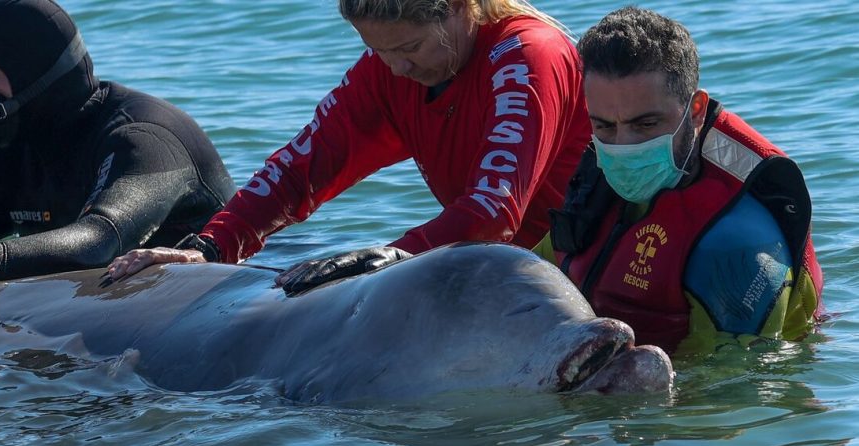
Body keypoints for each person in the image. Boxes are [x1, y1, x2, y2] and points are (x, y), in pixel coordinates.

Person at [107, 0, 591, 284]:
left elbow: (492, 214)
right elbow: (301, 170)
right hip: (501, 270)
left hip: (593, 267)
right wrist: (210, 247)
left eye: (409, 47)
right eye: (376, 49)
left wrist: (387, 259)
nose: (396, 68)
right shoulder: (389, 73)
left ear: (461, 8)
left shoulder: (526, 54)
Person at [539, 6, 823, 353]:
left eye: (645, 125)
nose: (624, 146)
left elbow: (730, 391)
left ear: (696, 111)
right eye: (604, 126)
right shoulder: (598, 178)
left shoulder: (739, 245)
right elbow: (535, 276)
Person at [0, 0, 236, 282]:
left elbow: (100, 242)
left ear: (35, 76)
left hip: (218, 297)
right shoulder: (13, 146)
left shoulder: (144, 137)